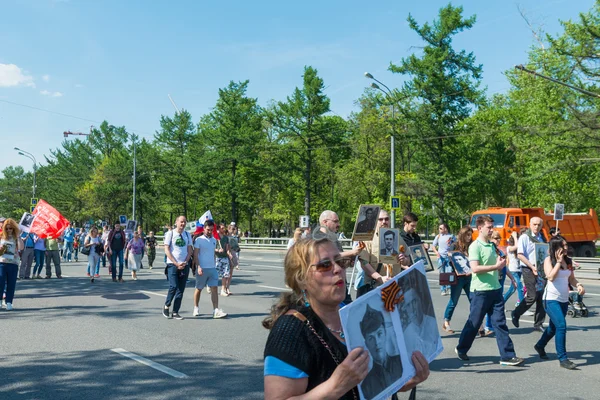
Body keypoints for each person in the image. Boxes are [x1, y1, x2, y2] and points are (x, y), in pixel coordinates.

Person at [262, 238, 429, 399]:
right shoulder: (290, 331)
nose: (338, 269)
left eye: (340, 262)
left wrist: (403, 381)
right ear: (301, 279)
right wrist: (334, 387)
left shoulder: (351, 313)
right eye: (325, 265)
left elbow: (369, 384)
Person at [455, 215, 524, 366]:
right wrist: (496, 267)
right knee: (474, 323)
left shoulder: (492, 246)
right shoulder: (475, 246)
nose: (492, 230)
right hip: (480, 291)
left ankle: (507, 356)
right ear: (480, 228)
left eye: (492, 227)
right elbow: (475, 268)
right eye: (489, 227)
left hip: (495, 289)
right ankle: (461, 348)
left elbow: (500, 264)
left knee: (500, 323)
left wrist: (509, 275)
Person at [534, 236, 585, 369]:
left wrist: (578, 285)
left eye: (566, 245)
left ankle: (539, 346)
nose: (566, 248)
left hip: (563, 300)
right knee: (561, 326)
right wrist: (558, 262)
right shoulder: (548, 260)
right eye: (563, 246)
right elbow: (550, 276)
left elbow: (571, 278)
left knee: (553, 328)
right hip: (550, 299)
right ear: (555, 248)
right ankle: (563, 359)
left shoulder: (568, 260)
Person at [356, 209, 408, 298]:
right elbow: (364, 263)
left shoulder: (397, 236)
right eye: (380, 219)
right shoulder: (368, 237)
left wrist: (404, 259)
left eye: (386, 219)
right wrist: (380, 278)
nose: (384, 222)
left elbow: (408, 259)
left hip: (394, 288)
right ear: (375, 221)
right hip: (375, 288)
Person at [511, 217, 547, 332]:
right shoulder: (524, 237)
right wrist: (532, 267)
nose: (536, 227)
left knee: (542, 296)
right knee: (532, 296)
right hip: (528, 268)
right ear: (530, 224)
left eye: (539, 225)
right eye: (534, 224)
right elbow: (520, 255)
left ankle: (538, 323)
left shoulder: (542, 237)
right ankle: (516, 313)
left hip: (541, 269)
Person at [360, 304, 403, 400]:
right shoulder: (367, 385)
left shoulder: (401, 363)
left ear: (385, 333)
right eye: (371, 338)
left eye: (379, 334)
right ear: (366, 343)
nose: (377, 342)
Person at [192, 220, 228, 319]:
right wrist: (198, 266)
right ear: (204, 228)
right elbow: (196, 254)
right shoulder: (199, 240)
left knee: (214, 289)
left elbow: (211, 252)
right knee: (199, 289)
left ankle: (215, 310)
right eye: (208, 229)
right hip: (202, 268)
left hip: (212, 268)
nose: (209, 231)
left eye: (211, 230)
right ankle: (196, 307)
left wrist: (217, 252)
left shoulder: (213, 240)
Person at [442, 226, 473, 333]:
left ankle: (478, 324)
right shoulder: (454, 245)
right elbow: (449, 258)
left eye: (470, 235)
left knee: (473, 301)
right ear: (462, 235)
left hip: (469, 276)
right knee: (453, 301)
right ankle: (446, 322)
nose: (469, 237)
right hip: (457, 277)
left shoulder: (472, 245)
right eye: (467, 235)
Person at [163, 216, 193, 320]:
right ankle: (167, 305)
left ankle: (175, 311)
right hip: (172, 264)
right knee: (173, 286)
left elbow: (190, 250)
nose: (183, 224)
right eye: (181, 222)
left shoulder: (187, 235)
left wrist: (185, 261)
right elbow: (166, 250)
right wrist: (176, 263)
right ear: (176, 222)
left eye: (184, 222)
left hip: (184, 264)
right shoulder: (170, 234)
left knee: (181, 289)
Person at [401, 286, 439, 358]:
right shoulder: (406, 334)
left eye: (414, 301)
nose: (412, 308)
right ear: (405, 308)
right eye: (408, 305)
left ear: (420, 301)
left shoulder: (433, 323)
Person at [0, 219, 24, 311]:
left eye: (11, 228)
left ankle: (9, 302)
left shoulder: (15, 237)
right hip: (2, 262)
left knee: (11, 283)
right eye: (7, 228)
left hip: (13, 263)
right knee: (0, 283)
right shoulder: (1, 236)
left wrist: (18, 237)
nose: (9, 230)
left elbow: (21, 247)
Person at [432, 223, 456, 296]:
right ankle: (443, 289)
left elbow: (456, 245)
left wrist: (452, 244)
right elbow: (433, 246)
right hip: (440, 257)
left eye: (441, 228)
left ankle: (450, 288)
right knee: (442, 273)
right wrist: (436, 253)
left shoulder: (451, 236)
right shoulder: (438, 236)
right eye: (439, 228)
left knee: (449, 273)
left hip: (449, 257)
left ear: (445, 228)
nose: (439, 230)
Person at [503, 230, 524, 306]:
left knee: (512, 289)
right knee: (520, 288)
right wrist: (515, 237)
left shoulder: (518, 249)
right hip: (513, 271)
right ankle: (521, 307)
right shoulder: (509, 248)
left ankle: (501, 303)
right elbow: (516, 246)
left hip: (518, 270)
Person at [215, 223, 233, 296]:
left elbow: (227, 248)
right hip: (217, 257)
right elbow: (212, 247)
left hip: (224, 257)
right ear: (218, 229)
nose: (223, 229)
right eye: (222, 228)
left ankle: (223, 290)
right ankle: (210, 286)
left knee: (225, 274)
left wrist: (229, 253)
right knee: (215, 275)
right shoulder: (215, 237)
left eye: (224, 228)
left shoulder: (226, 238)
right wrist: (217, 250)